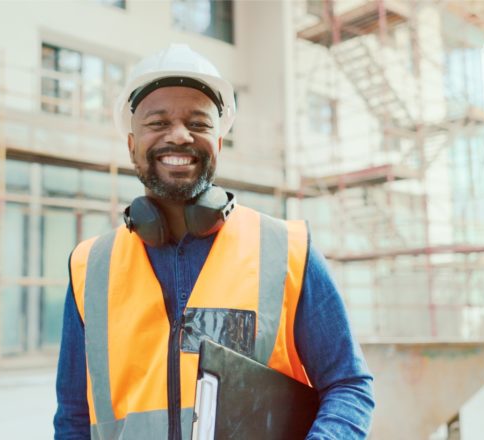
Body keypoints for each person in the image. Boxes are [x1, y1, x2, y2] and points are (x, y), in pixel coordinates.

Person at [54, 44, 374, 440]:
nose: (180, 135)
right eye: (157, 122)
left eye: (199, 123)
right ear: (132, 144)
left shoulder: (287, 251)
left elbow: (348, 385)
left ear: (219, 144)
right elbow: (72, 416)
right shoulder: (90, 266)